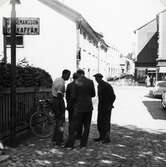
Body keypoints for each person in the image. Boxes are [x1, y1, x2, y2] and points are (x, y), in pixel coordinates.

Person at [65, 69, 95, 148]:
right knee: (87, 126)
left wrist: (69, 106)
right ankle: (83, 144)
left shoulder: (76, 82)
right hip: (88, 107)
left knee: (74, 126)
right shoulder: (90, 81)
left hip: (78, 108)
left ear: (78, 74)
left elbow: (73, 96)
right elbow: (93, 94)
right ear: (84, 74)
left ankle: (71, 144)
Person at [93, 73, 116, 144]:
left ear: (100, 78)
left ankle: (107, 138)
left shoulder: (106, 85)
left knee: (106, 123)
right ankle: (101, 136)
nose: (96, 79)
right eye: (95, 78)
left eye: (97, 78)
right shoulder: (99, 85)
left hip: (106, 107)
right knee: (100, 122)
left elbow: (113, 96)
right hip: (101, 107)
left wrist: (110, 104)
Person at [51, 69, 71, 146]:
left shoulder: (57, 79)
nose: (69, 77)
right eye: (68, 75)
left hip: (54, 100)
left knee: (57, 121)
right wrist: (60, 108)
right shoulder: (61, 83)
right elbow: (59, 96)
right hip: (58, 101)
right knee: (61, 122)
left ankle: (54, 138)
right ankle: (59, 140)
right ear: (65, 74)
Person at [66, 72, 82, 139]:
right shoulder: (80, 85)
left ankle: (71, 134)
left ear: (73, 77)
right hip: (78, 106)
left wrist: (68, 103)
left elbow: (67, 96)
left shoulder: (69, 85)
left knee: (71, 120)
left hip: (71, 105)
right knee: (79, 121)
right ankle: (78, 135)